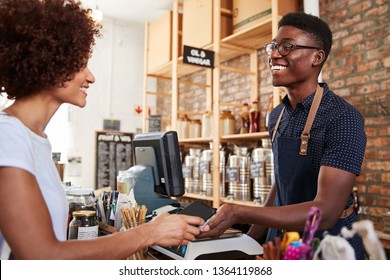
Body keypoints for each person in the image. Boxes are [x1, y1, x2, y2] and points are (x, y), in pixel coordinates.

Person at [0, 0, 205, 260]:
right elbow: (44, 255)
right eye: (80, 63)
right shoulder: (8, 134)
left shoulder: (35, 139)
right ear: (49, 61)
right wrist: (149, 233)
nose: (91, 77)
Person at [197, 12, 367, 259]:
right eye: (274, 46)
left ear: (316, 57)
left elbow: (326, 213)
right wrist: (249, 241)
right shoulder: (276, 116)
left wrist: (239, 212)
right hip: (282, 245)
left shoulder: (343, 118)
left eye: (287, 47)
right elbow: (280, 185)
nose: (275, 54)